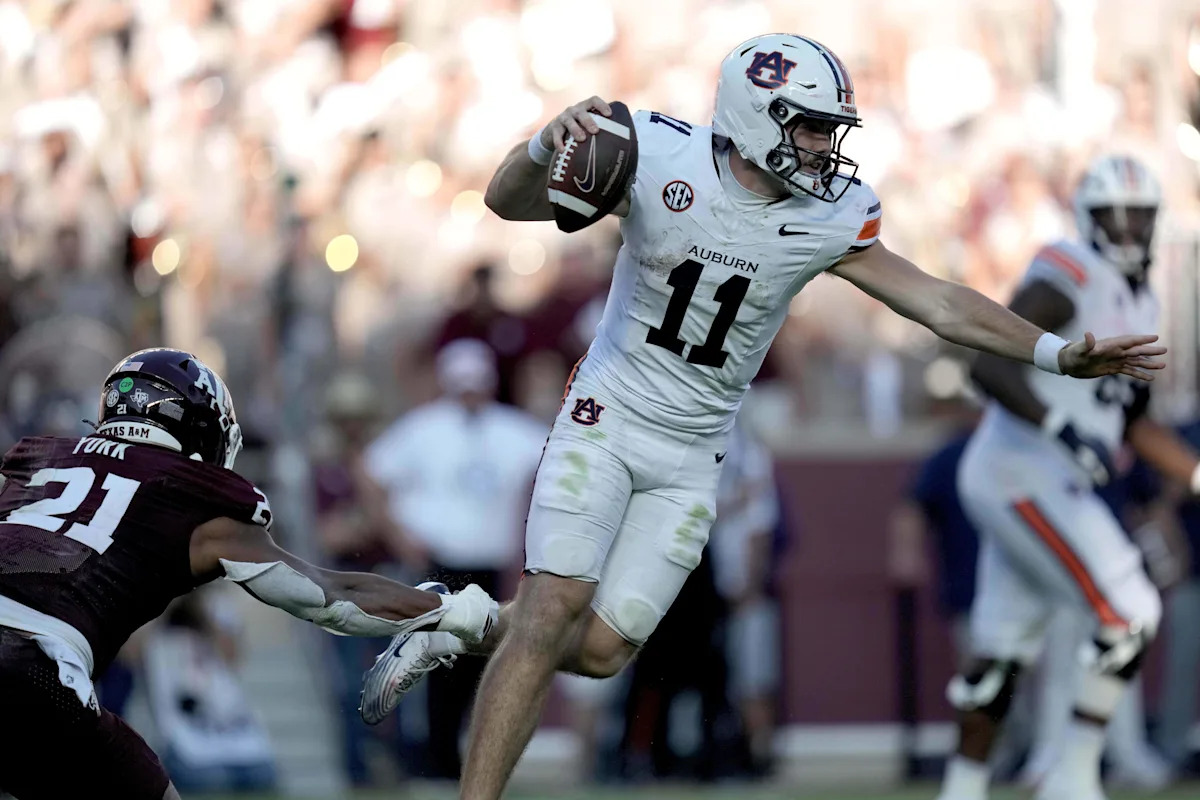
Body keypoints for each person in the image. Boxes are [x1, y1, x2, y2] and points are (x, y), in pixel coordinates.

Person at [360, 34, 1164, 800]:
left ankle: (454, 620)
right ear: (757, 116)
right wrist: (543, 145)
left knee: (601, 653)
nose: (824, 146)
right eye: (810, 127)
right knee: (549, 614)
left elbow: (939, 302)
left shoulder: (831, 213)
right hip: (608, 417)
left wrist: (1054, 353)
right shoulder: (652, 151)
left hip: (697, 449)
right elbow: (505, 203)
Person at [0, 347, 498, 800]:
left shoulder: (37, 461)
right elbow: (330, 595)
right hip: (32, 668)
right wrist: (450, 609)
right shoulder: (195, 499)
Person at [936, 155, 1200, 800]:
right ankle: (1072, 780)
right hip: (1024, 471)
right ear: (1088, 217)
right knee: (1131, 610)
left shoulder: (1143, 299)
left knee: (999, 657)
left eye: (1140, 216)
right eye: (1116, 215)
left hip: (1044, 482)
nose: (1129, 229)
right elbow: (988, 365)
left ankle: (961, 791)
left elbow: (1133, 422)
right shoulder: (1071, 270)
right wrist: (1061, 428)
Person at [362, 339, 546, 777]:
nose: (471, 393)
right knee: (434, 659)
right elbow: (370, 473)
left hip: (488, 566)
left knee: (478, 664)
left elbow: (553, 459)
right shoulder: (424, 427)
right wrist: (398, 536)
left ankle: (462, 754)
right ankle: (435, 754)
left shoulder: (511, 428)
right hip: (439, 563)